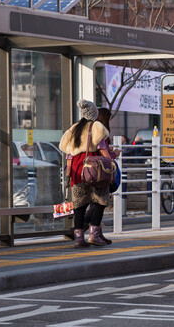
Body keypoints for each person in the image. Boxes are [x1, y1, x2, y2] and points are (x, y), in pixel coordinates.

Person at [59, 100, 113, 248]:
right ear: (94, 113)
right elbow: (103, 150)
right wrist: (112, 163)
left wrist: (69, 174)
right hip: (94, 170)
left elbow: (69, 155)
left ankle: (78, 239)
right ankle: (94, 235)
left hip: (77, 170)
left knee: (79, 205)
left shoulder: (74, 128)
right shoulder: (97, 127)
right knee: (99, 201)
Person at [82, 107, 121, 245]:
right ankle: (83, 229)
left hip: (88, 171)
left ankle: (94, 232)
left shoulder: (85, 130)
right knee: (99, 203)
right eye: (109, 118)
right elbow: (106, 157)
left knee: (95, 202)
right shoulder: (100, 133)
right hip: (99, 173)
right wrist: (115, 153)